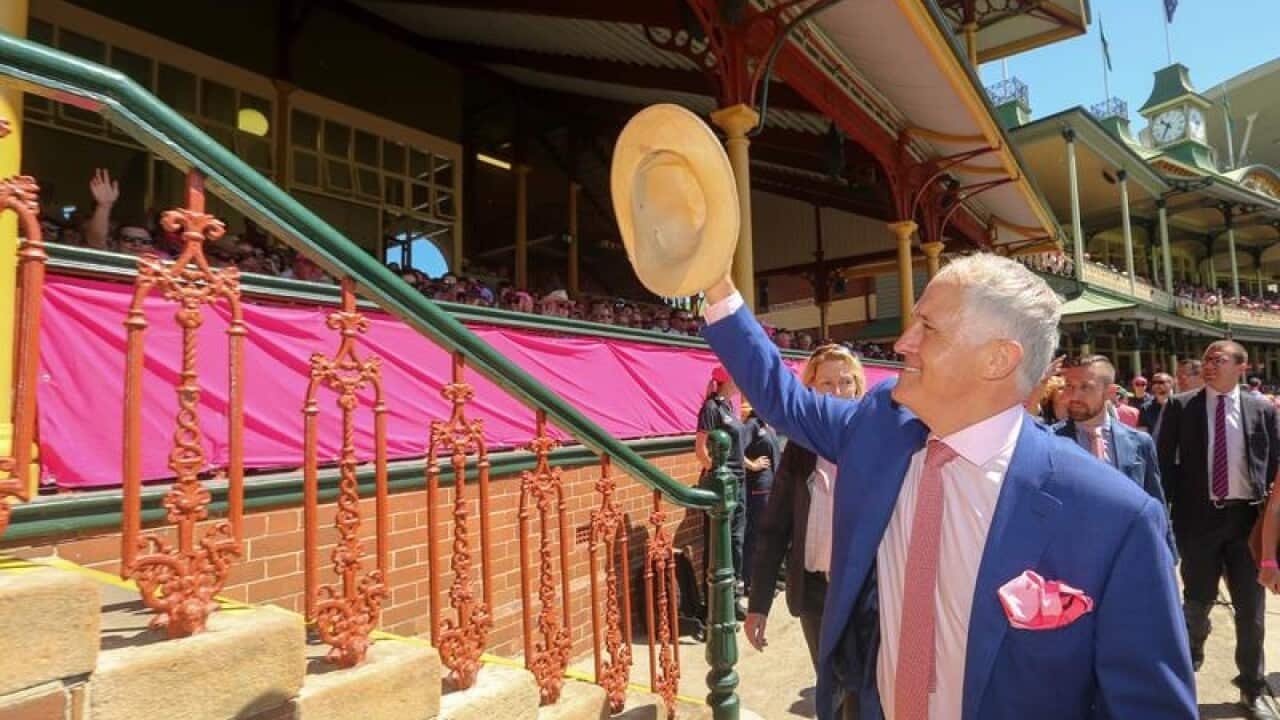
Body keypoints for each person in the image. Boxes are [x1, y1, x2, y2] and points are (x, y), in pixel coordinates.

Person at [701, 254, 1193, 720]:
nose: (902, 343)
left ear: (998, 358)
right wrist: (717, 283)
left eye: (928, 328)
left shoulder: (1114, 516)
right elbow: (782, 396)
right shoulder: (878, 430)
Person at [1158, 340, 1280, 718]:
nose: (1209, 364)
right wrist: (1165, 515)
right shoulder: (1182, 406)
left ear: (1241, 367)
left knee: (1251, 610)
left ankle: (1252, 687)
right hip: (1198, 521)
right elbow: (1163, 464)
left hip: (1247, 521)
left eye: (1219, 359)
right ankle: (1185, 671)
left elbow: (1274, 464)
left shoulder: (1262, 409)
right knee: (1195, 603)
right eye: (1207, 359)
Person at [744, 344, 866, 674]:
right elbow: (774, 529)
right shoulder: (800, 449)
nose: (837, 392)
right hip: (814, 592)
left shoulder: (874, 441)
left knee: (864, 691)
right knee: (829, 685)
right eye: (826, 383)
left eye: (845, 382)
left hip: (866, 592)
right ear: (810, 389)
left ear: (857, 387)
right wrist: (759, 605)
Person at [1053, 356, 1175, 556]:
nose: (1074, 395)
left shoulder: (1139, 442)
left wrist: (1167, 553)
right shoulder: (1051, 441)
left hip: (1128, 552)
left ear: (1110, 392)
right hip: (1070, 554)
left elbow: (1155, 500)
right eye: (1070, 386)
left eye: (1085, 387)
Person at [696, 365, 748, 619]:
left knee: (737, 540)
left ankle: (734, 597)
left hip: (739, 482)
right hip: (723, 486)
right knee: (719, 542)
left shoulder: (728, 407)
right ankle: (715, 604)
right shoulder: (711, 408)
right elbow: (700, 450)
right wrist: (719, 475)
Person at [740, 400, 779, 598]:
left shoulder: (767, 425)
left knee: (766, 536)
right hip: (758, 489)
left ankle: (764, 581)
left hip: (771, 487)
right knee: (755, 536)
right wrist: (753, 465)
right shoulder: (752, 424)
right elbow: (736, 449)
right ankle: (749, 581)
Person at [1141, 371, 1175, 436]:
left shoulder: (1179, 404)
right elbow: (1143, 433)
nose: (1156, 385)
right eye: (1154, 383)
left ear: (1171, 384)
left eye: (1161, 382)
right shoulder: (1145, 408)